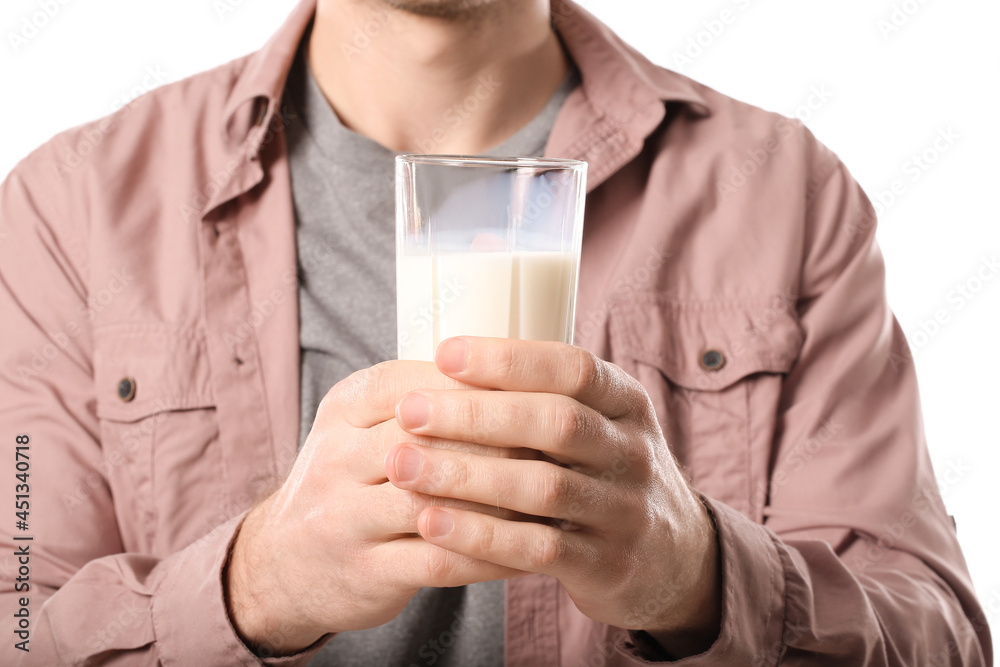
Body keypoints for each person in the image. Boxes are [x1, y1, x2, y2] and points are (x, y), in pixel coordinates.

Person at [0, 0, 991, 664]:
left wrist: (699, 576)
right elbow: (16, 623)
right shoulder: (75, 207)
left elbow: (940, 635)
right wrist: (249, 585)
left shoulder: (779, 191)